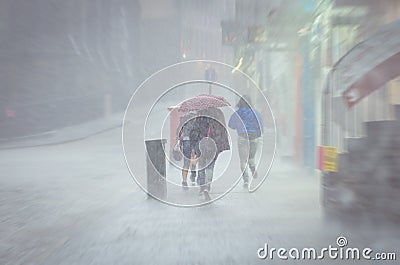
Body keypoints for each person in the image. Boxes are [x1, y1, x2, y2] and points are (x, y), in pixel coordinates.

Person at [190, 107, 230, 200]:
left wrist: (194, 146)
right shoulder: (218, 114)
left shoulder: (200, 114)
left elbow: (194, 131)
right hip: (214, 144)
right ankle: (207, 186)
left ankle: (202, 186)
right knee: (210, 166)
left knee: (201, 165)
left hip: (201, 144)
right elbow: (222, 130)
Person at [228, 95, 263, 188]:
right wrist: (258, 134)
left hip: (242, 137)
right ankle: (252, 167)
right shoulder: (256, 113)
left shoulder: (238, 113)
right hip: (253, 137)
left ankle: (246, 180)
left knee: (243, 160)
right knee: (251, 157)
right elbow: (260, 126)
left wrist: (238, 126)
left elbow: (230, 125)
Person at [176, 111, 198, 190]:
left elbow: (178, 131)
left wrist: (179, 140)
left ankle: (184, 182)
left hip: (185, 142)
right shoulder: (198, 118)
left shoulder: (184, 118)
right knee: (194, 157)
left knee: (186, 162)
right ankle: (193, 172)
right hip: (194, 141)